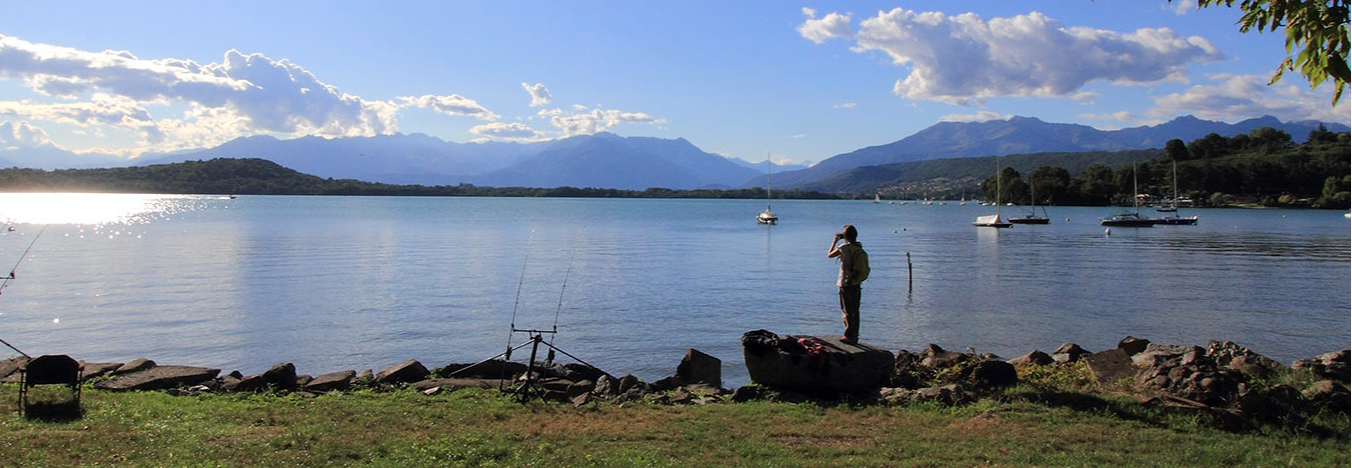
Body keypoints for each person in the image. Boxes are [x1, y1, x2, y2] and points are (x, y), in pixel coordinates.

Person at [827, 224, 864, 344]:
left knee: (846, 309)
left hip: (845, 283)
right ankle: (855, 335)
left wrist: (835, 241)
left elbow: (830, 254)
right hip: (856, 283)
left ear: (845, 236)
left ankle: (848, 335)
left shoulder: (844, 248)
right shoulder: (858, 247)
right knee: (855, 310)